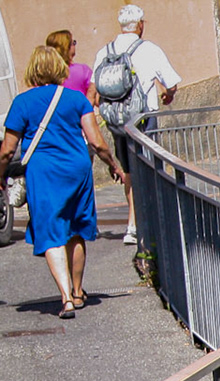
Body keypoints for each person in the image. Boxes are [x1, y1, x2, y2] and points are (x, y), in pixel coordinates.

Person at [0, 46, 130, 317]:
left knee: (50, 231)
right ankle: (79, 290)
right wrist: (114, 165)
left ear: (33, 70)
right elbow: (97, 142)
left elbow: (7, 151)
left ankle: (66, 297)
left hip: (44, 172)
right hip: (77, 168)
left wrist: (1, 175)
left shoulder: (22, 103)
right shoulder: (76, 99)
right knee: (76, 229)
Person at [91, 4, 179, 245]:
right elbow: (170, 83)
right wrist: (168, 94)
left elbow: (94, 90)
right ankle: (149, 224)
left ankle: (132, 225)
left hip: (117, 122)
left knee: (129, 172)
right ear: (140, 25)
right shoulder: (149, 49)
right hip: (144, 118)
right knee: (150, 169)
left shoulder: (105, 51)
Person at [46, 30, 91, 95]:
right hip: (78, 105)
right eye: (73, 43)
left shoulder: (45, 73)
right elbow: (95, 95)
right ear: (67, 47)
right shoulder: (83, 70)